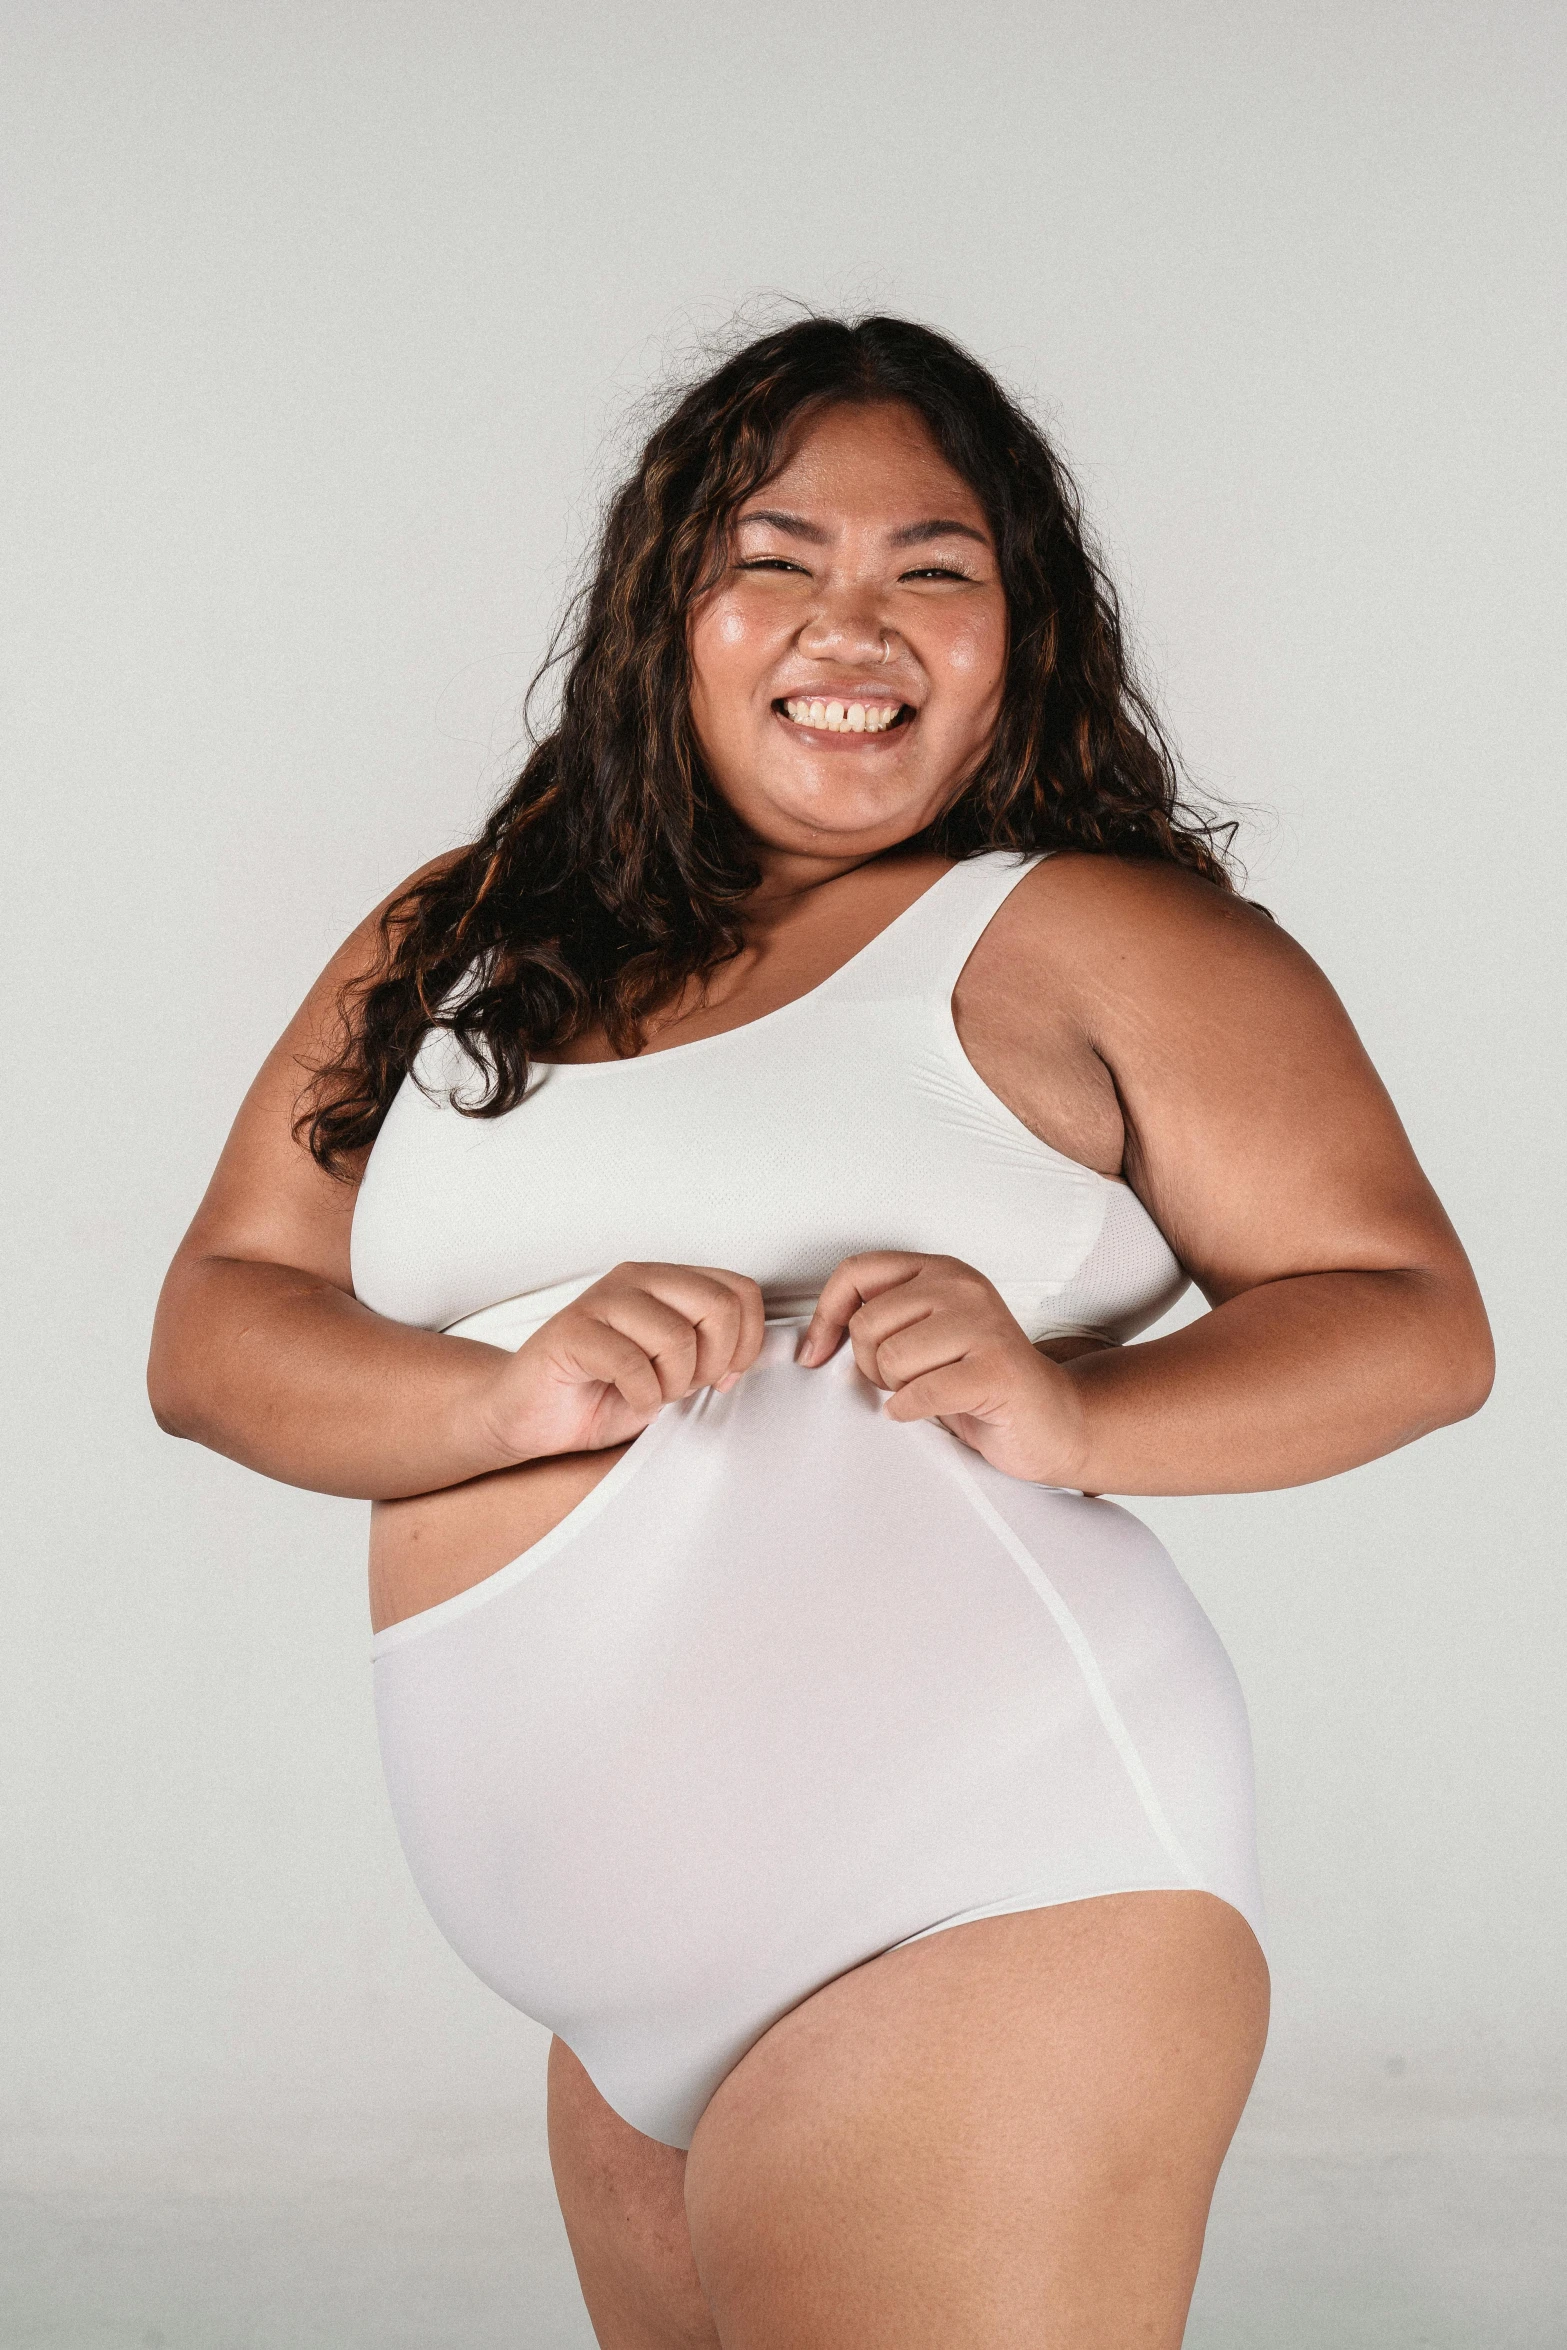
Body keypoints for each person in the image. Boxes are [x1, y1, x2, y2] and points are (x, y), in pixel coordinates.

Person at [148, 314, 1493, 2350]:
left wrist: (1075, 1405)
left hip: (979, 1883)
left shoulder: (1101, 934)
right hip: (617, 2012)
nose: (848, 624)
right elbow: (215, 1329)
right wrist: (501, 1389)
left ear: (1016, 639)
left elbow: (1413, 1321)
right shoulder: (467, 924)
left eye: (931, 571)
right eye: (774, 559)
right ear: (666, 614)